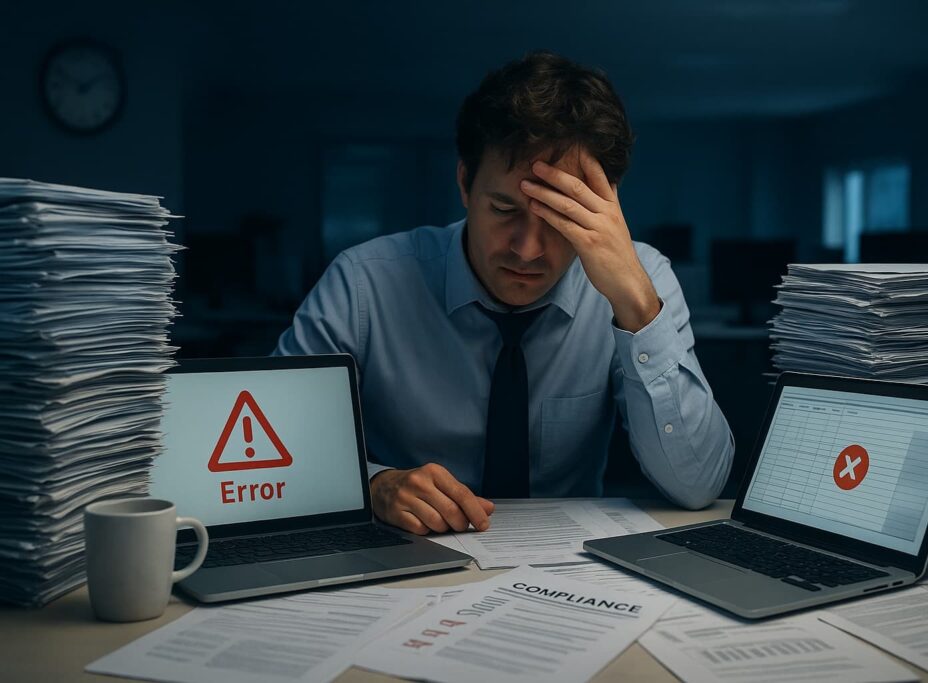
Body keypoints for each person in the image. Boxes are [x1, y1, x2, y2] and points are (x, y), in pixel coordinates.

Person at [274, 51, 734, 536]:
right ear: (465, 184)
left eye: (561, 217)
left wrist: (637, 309)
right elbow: (273, 454)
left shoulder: (643, 279)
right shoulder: (362, 283)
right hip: (401, 557)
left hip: (570, 571)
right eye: (504, 209)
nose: (528, 250)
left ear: (604, 206)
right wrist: (372, 486)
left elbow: (698, 486)